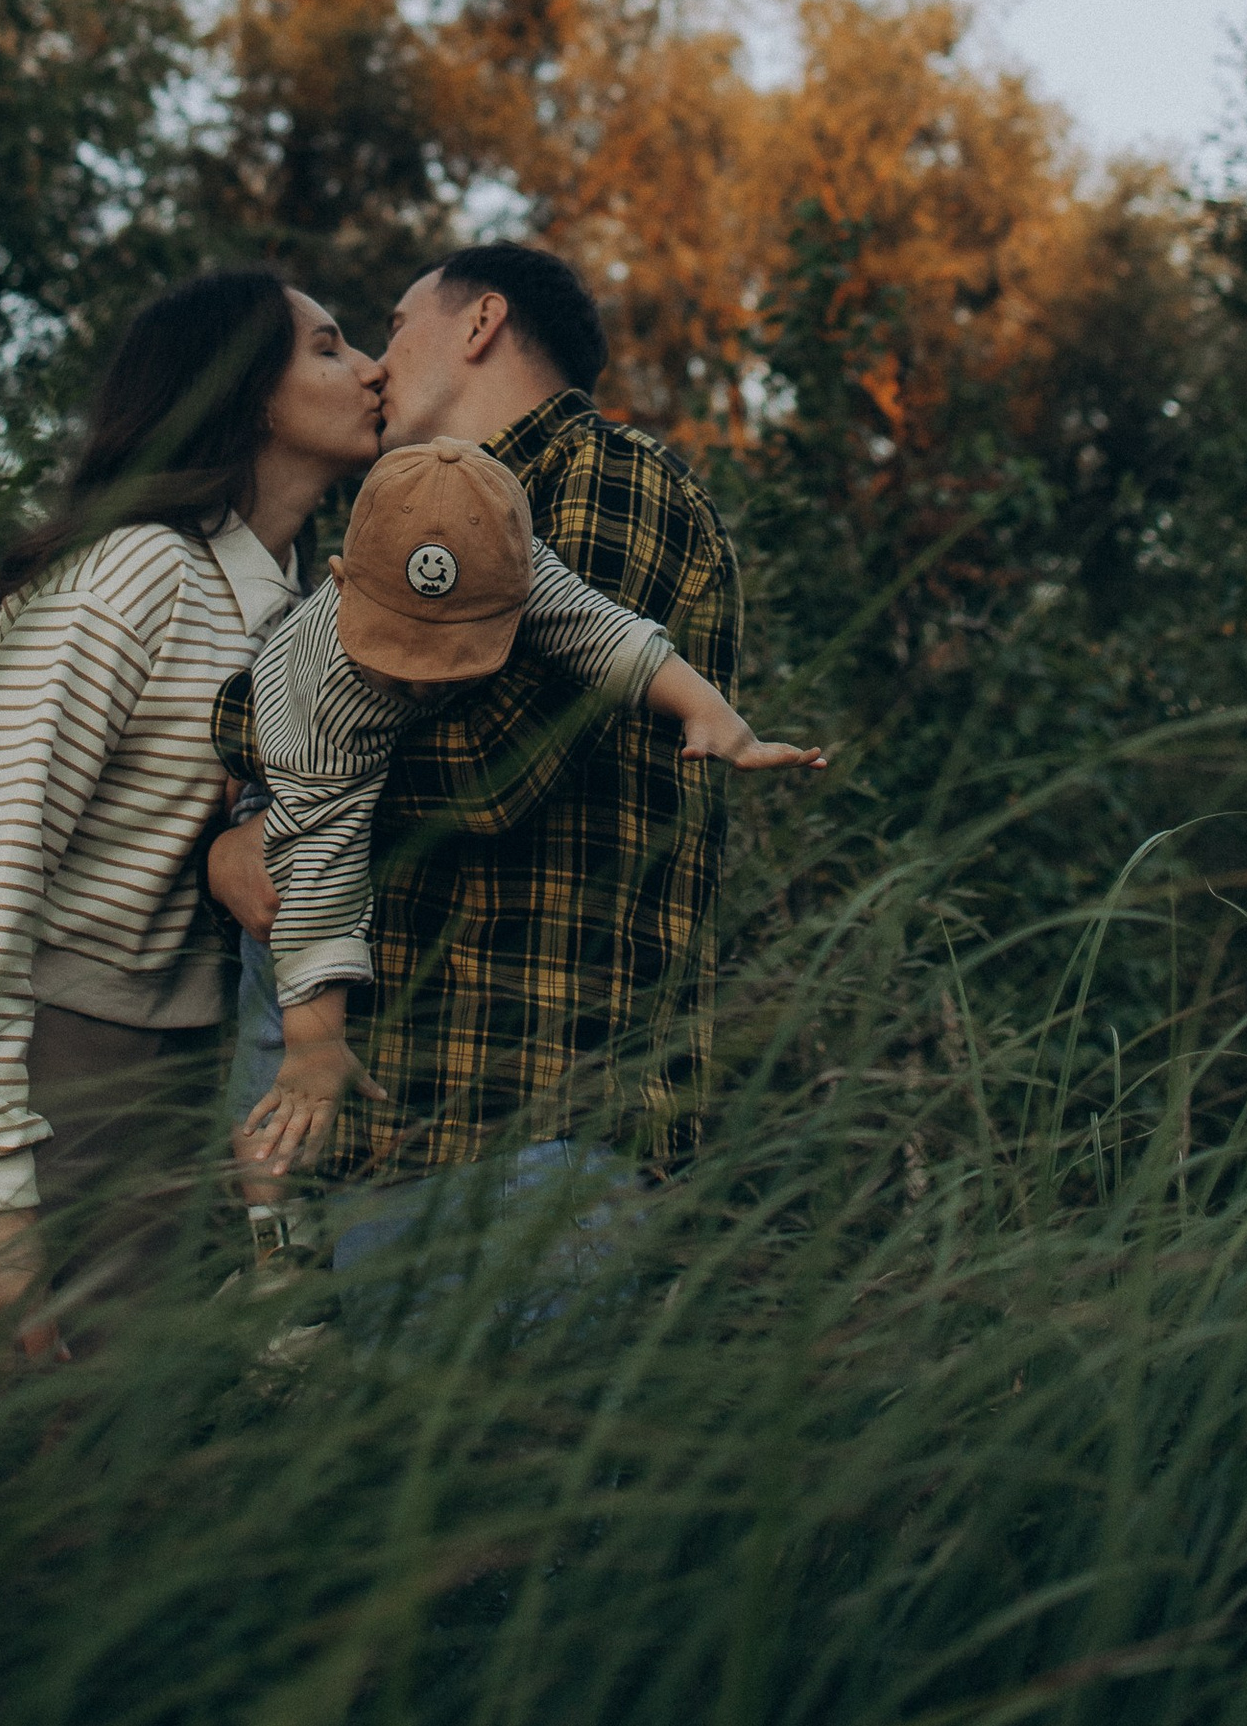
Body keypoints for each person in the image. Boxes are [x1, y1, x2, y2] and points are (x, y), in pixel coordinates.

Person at [0, 266, 382, 1360]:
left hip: (155, 1073)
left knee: (64, 1478)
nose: (373, 368)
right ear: (245, 390)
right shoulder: (134, 569)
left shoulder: (307, 617)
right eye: (332, 347)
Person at [208, 242, 753, 1267]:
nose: (375, 363)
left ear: (481, 322)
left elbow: (490, 772)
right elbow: (245, 712)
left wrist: (273, 828)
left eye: (398, 325)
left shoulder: (606, 478)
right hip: (411, 1142)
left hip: (542, 1133)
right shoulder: (407, 524)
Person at [235, 438, 818, 1174]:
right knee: (276, 986)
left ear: (523, 589)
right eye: (402, 658)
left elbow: (601, 633)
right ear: (343, 582)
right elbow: (322, 854)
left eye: (451, 657)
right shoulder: (320, 688)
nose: (423, 684)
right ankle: (269, 1226)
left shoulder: (520, 567)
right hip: (298, 774)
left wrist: (710, 714)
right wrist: (315, 1040)